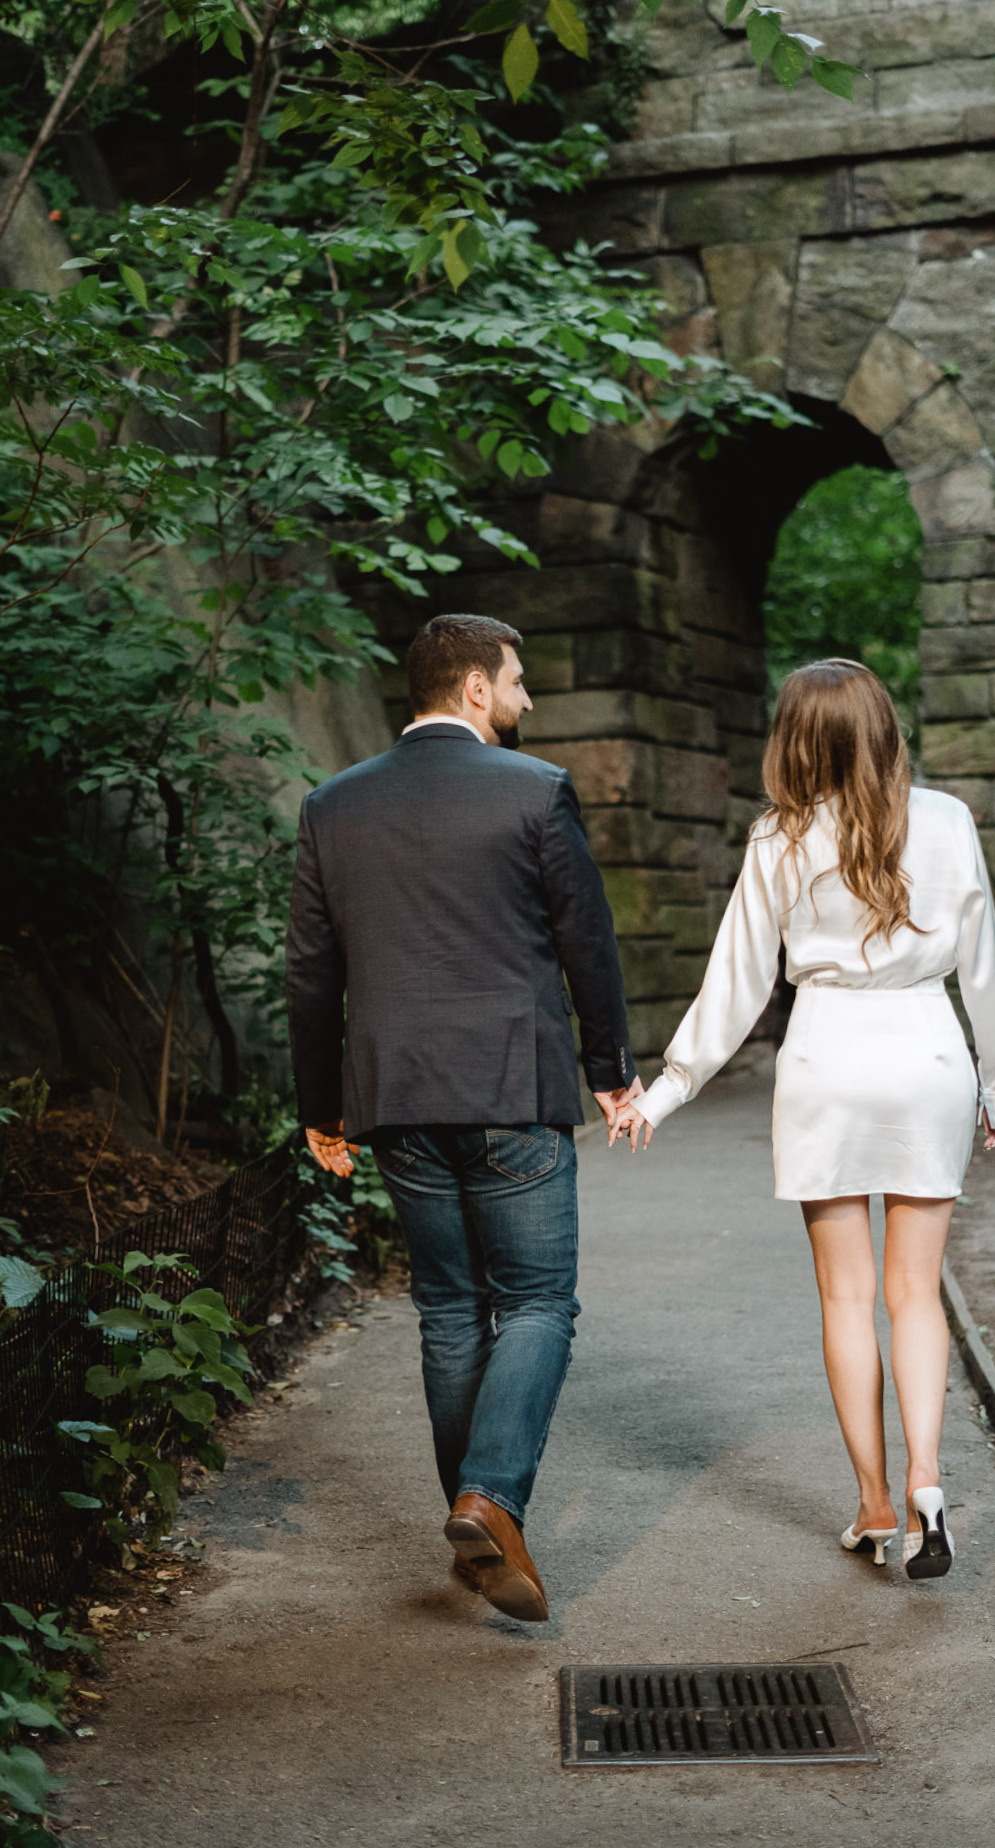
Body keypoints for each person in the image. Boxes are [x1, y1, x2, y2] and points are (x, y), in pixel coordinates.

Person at [613, 659, 995, 1580]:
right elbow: (983, 969)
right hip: (927, 1058)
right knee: (915, 1293)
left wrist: (669, 1087)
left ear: (795, 739)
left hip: (826, 1063)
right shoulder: (950, 822)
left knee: (846, 1297)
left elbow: (738, 979)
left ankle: (875, 1502)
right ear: (884, 728)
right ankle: (928, 1482)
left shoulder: (780, 836)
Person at [286, 613, 641, 1622]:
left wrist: (323, 1109)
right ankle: (490, 1498)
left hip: (394, 1098)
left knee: (448, 1310)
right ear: (476, 689)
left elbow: (311, 976)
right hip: (511, 1090)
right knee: (536, 1302)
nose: (526, 699)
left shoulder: (332, 806)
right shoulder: (534, 792)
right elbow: (588, 944)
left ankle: (479, 1521)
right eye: (517, 681)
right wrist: (610, 1070)